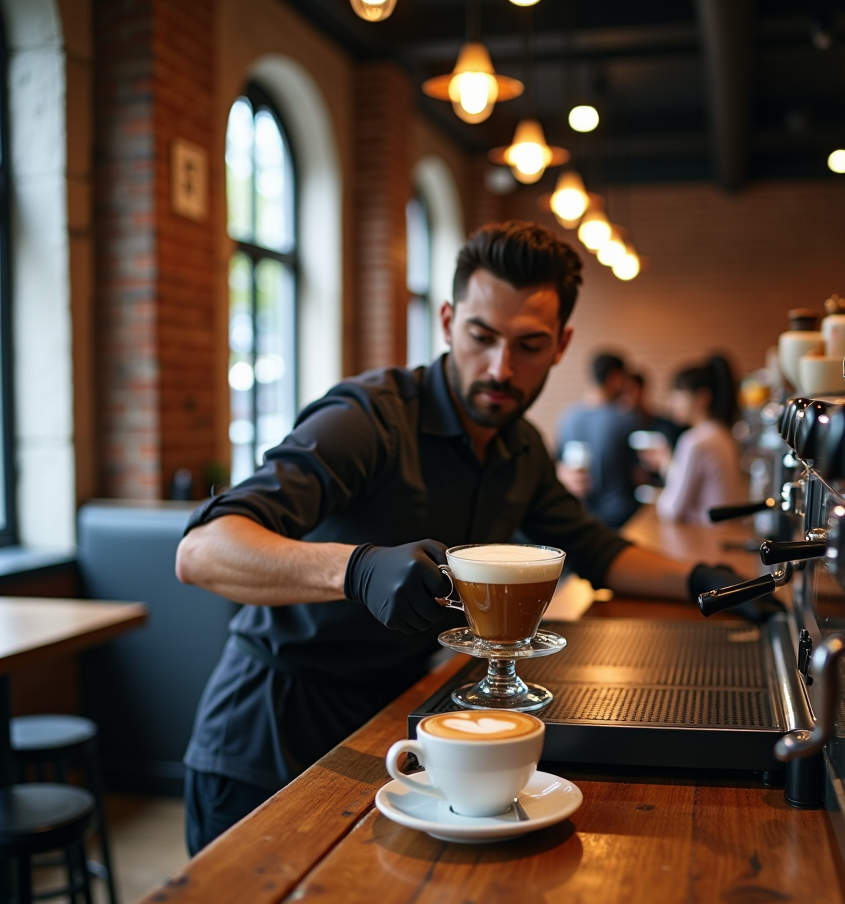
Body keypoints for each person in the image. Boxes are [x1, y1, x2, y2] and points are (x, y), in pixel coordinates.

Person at [175, 221, 752, 854]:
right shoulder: (368, 420)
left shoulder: (521, 448)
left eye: (529, 346)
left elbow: (598, 550)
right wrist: (357, 569)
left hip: (391, 728)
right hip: (266, 731)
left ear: (561, 346)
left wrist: (704, 582)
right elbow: (202, 552)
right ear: (448, 321)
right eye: (482, 336)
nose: (501, 369)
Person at [654, 356, 745, 525]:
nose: (672, 403)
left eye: (678, 394)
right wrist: (667, 464)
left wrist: (659, 496)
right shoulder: (721, 432)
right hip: (722, 532)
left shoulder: (695, 441)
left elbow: (672, 509)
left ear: (702, 398)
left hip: (704, 537)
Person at [556, 352, 640, 528]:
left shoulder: (568, 417)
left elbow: (558, 464)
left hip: (579, 514)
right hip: (620, 517)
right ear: (615, 378)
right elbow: (640, 472)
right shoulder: (626, 419)